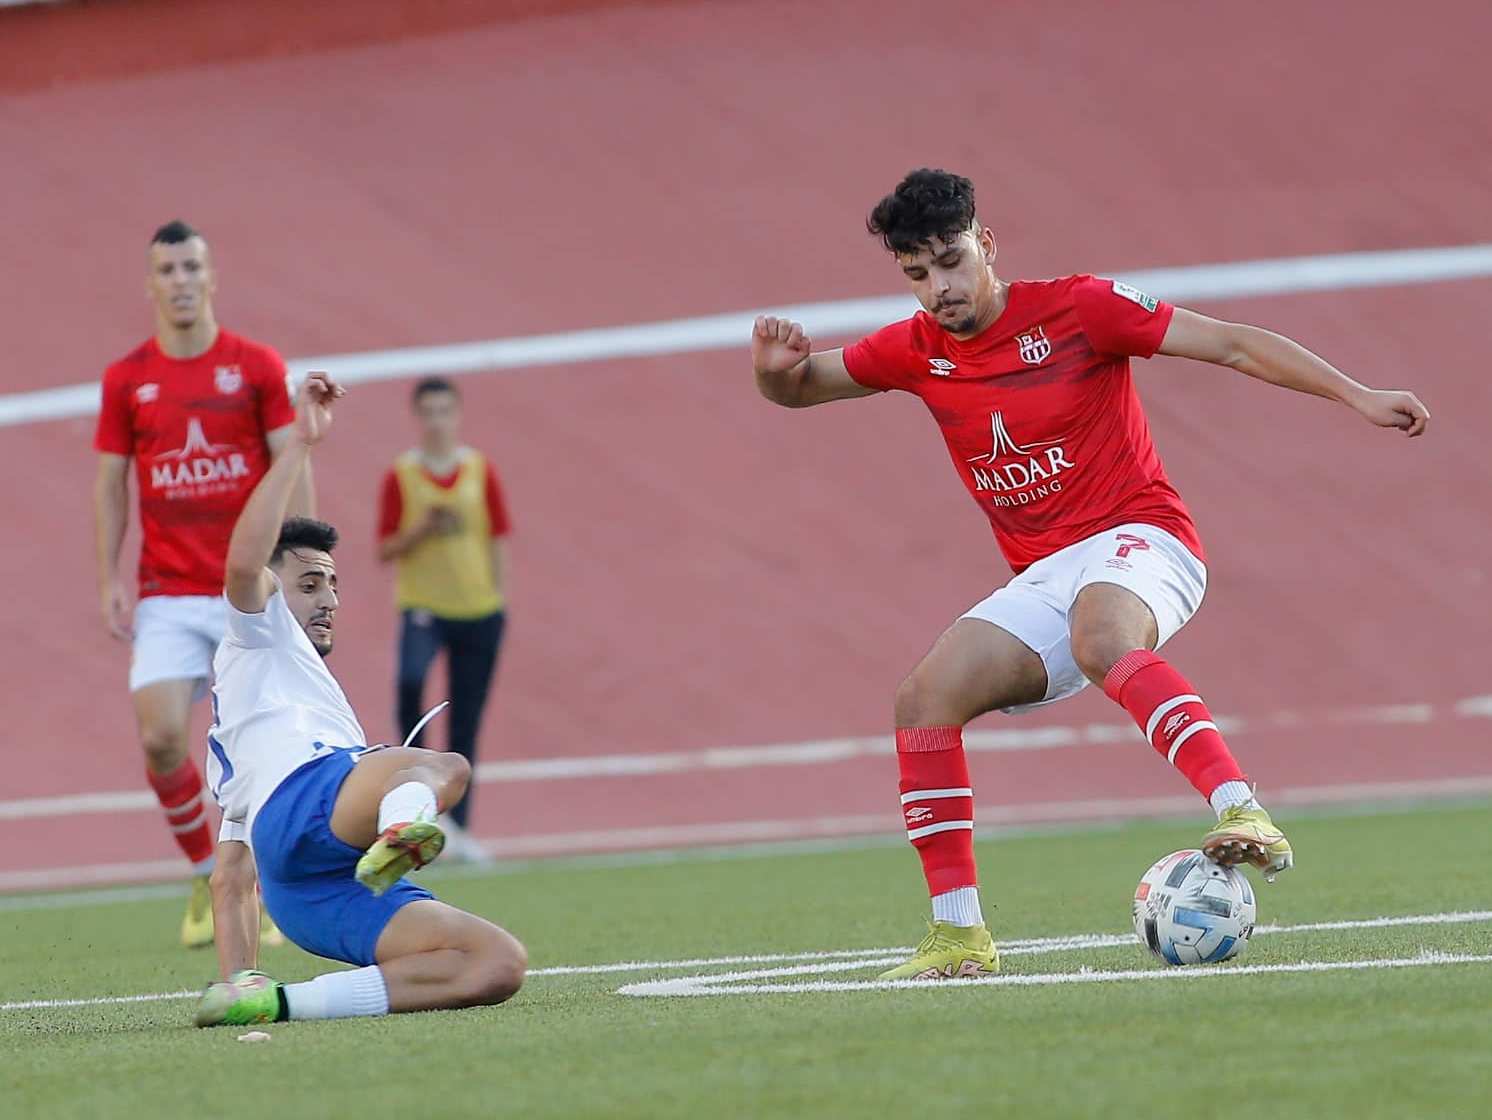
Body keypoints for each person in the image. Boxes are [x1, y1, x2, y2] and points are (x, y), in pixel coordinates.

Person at [750, 168, 1430, 981]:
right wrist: (771, 369)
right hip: (1048, 573)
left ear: (987, 244)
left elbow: (1234, 343)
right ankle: (959, 937)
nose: (940, 289)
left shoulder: (1081, 308)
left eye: (952, 262)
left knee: (1102, 636)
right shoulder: (916, 349)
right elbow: (799, 389)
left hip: (1146, 537)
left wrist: (1358, 395)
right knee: (923, 699)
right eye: (917, 275)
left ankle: (1240, 806)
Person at [194, 372, 526, 1028]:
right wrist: (299, 447)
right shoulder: (259, 636)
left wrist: (240, 980)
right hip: (315, 810)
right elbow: (242, 567)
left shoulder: (250, 710)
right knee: (440, 767)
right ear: (271, 589)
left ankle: (284, 1004)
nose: (330, 600)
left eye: (335, 586)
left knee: (494, 963)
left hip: (310, 888)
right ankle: (406, 825)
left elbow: (230, 877)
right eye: (311, 583)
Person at [93, 219, 311, 948]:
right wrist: (108, 578)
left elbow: (292, 463)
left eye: (191, 267)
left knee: (261, 747)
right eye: (167, 269)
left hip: (243, 592)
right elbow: (110, 483)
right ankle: (200, 868)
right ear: (150, 283)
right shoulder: (128, 379)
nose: (180, 280)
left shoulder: (254, 367)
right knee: (160, 738)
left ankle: (261, 884)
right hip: (166, 592)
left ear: (212, 276)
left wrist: (301, 561)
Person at [377, 377, 511, 849]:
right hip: (424, 607)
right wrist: (422, 529)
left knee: (466, 718)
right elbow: (386, 547)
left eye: (444, 411)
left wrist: (499, 599)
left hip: (478, 610)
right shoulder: (403, 475)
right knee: (411, 685)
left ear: (456, 415)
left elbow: (496, 537)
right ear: (418, 417)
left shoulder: (479, 469)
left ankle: (459, 826)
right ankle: (414, 794)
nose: (437, 422)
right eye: (428, 412)